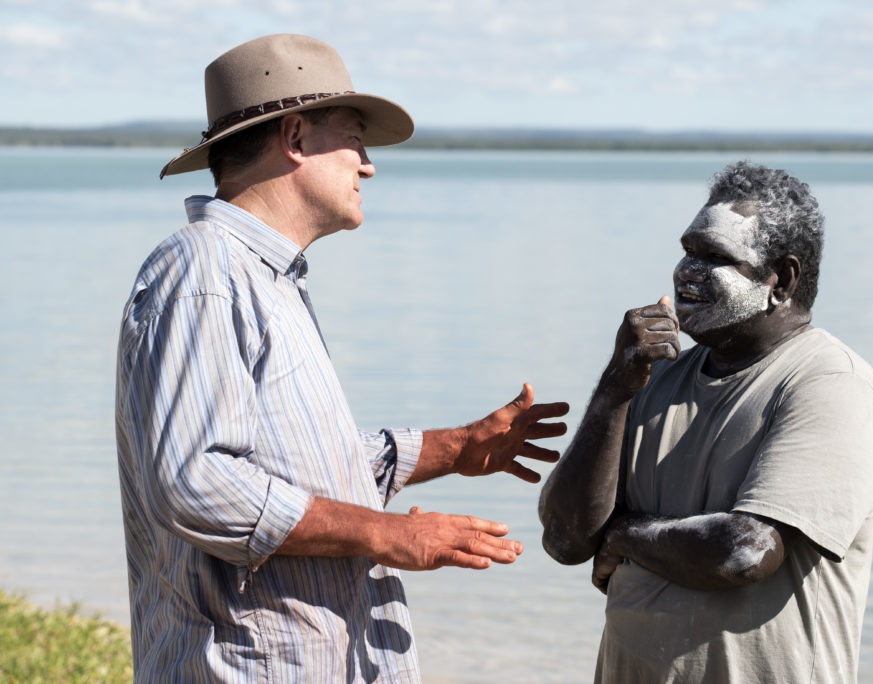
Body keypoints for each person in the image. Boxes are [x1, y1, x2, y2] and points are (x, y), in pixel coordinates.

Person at [115, 34, 569, 682]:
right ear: (295, 138)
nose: (367, 164)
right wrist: (389, 534)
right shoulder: (203, 271)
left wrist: (455, 448)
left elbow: (291, 466)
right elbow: (198, 482)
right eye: (354, 136)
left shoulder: (264, 278)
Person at [538, 161, 873, 683]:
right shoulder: (654, 377)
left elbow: (745, 552)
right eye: (687, 250)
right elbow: (566, 540)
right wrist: (615, 387)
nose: (687, 271)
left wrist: (625, 534)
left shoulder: (830, 384)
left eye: (714, 257)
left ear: (782, 279)